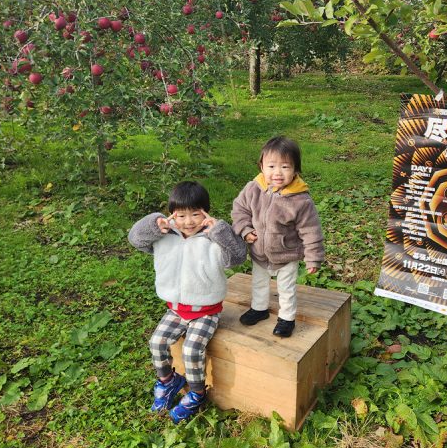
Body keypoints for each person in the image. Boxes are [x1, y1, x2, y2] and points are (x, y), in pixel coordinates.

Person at [128, 181, 247, 423]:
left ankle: (197, 394)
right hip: (176, 309)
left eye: (195, 214)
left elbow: (237, 257)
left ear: (206, 213)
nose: (188, 221)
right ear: (172, 214)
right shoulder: (164, 237)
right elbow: (135, 239)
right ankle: (168, 381)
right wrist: (154, 224)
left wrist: (220, 231)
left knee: (191, 350)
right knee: (156, 342)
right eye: (181, 215)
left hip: (206, 311)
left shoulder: (214, 240)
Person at [231, 136, 324, 338]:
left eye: (285, 167)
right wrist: (245, 230)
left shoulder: (300, 200)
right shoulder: (254, 189)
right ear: (262, 166)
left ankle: (286, 318)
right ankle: (259, 308)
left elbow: (311, 230)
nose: (277, 173)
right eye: (271, 166)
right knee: (259, 283)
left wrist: (313, 257)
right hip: (259, 252)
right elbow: (239, 210)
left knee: (286, 289)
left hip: (286, 255)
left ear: (296, 169)